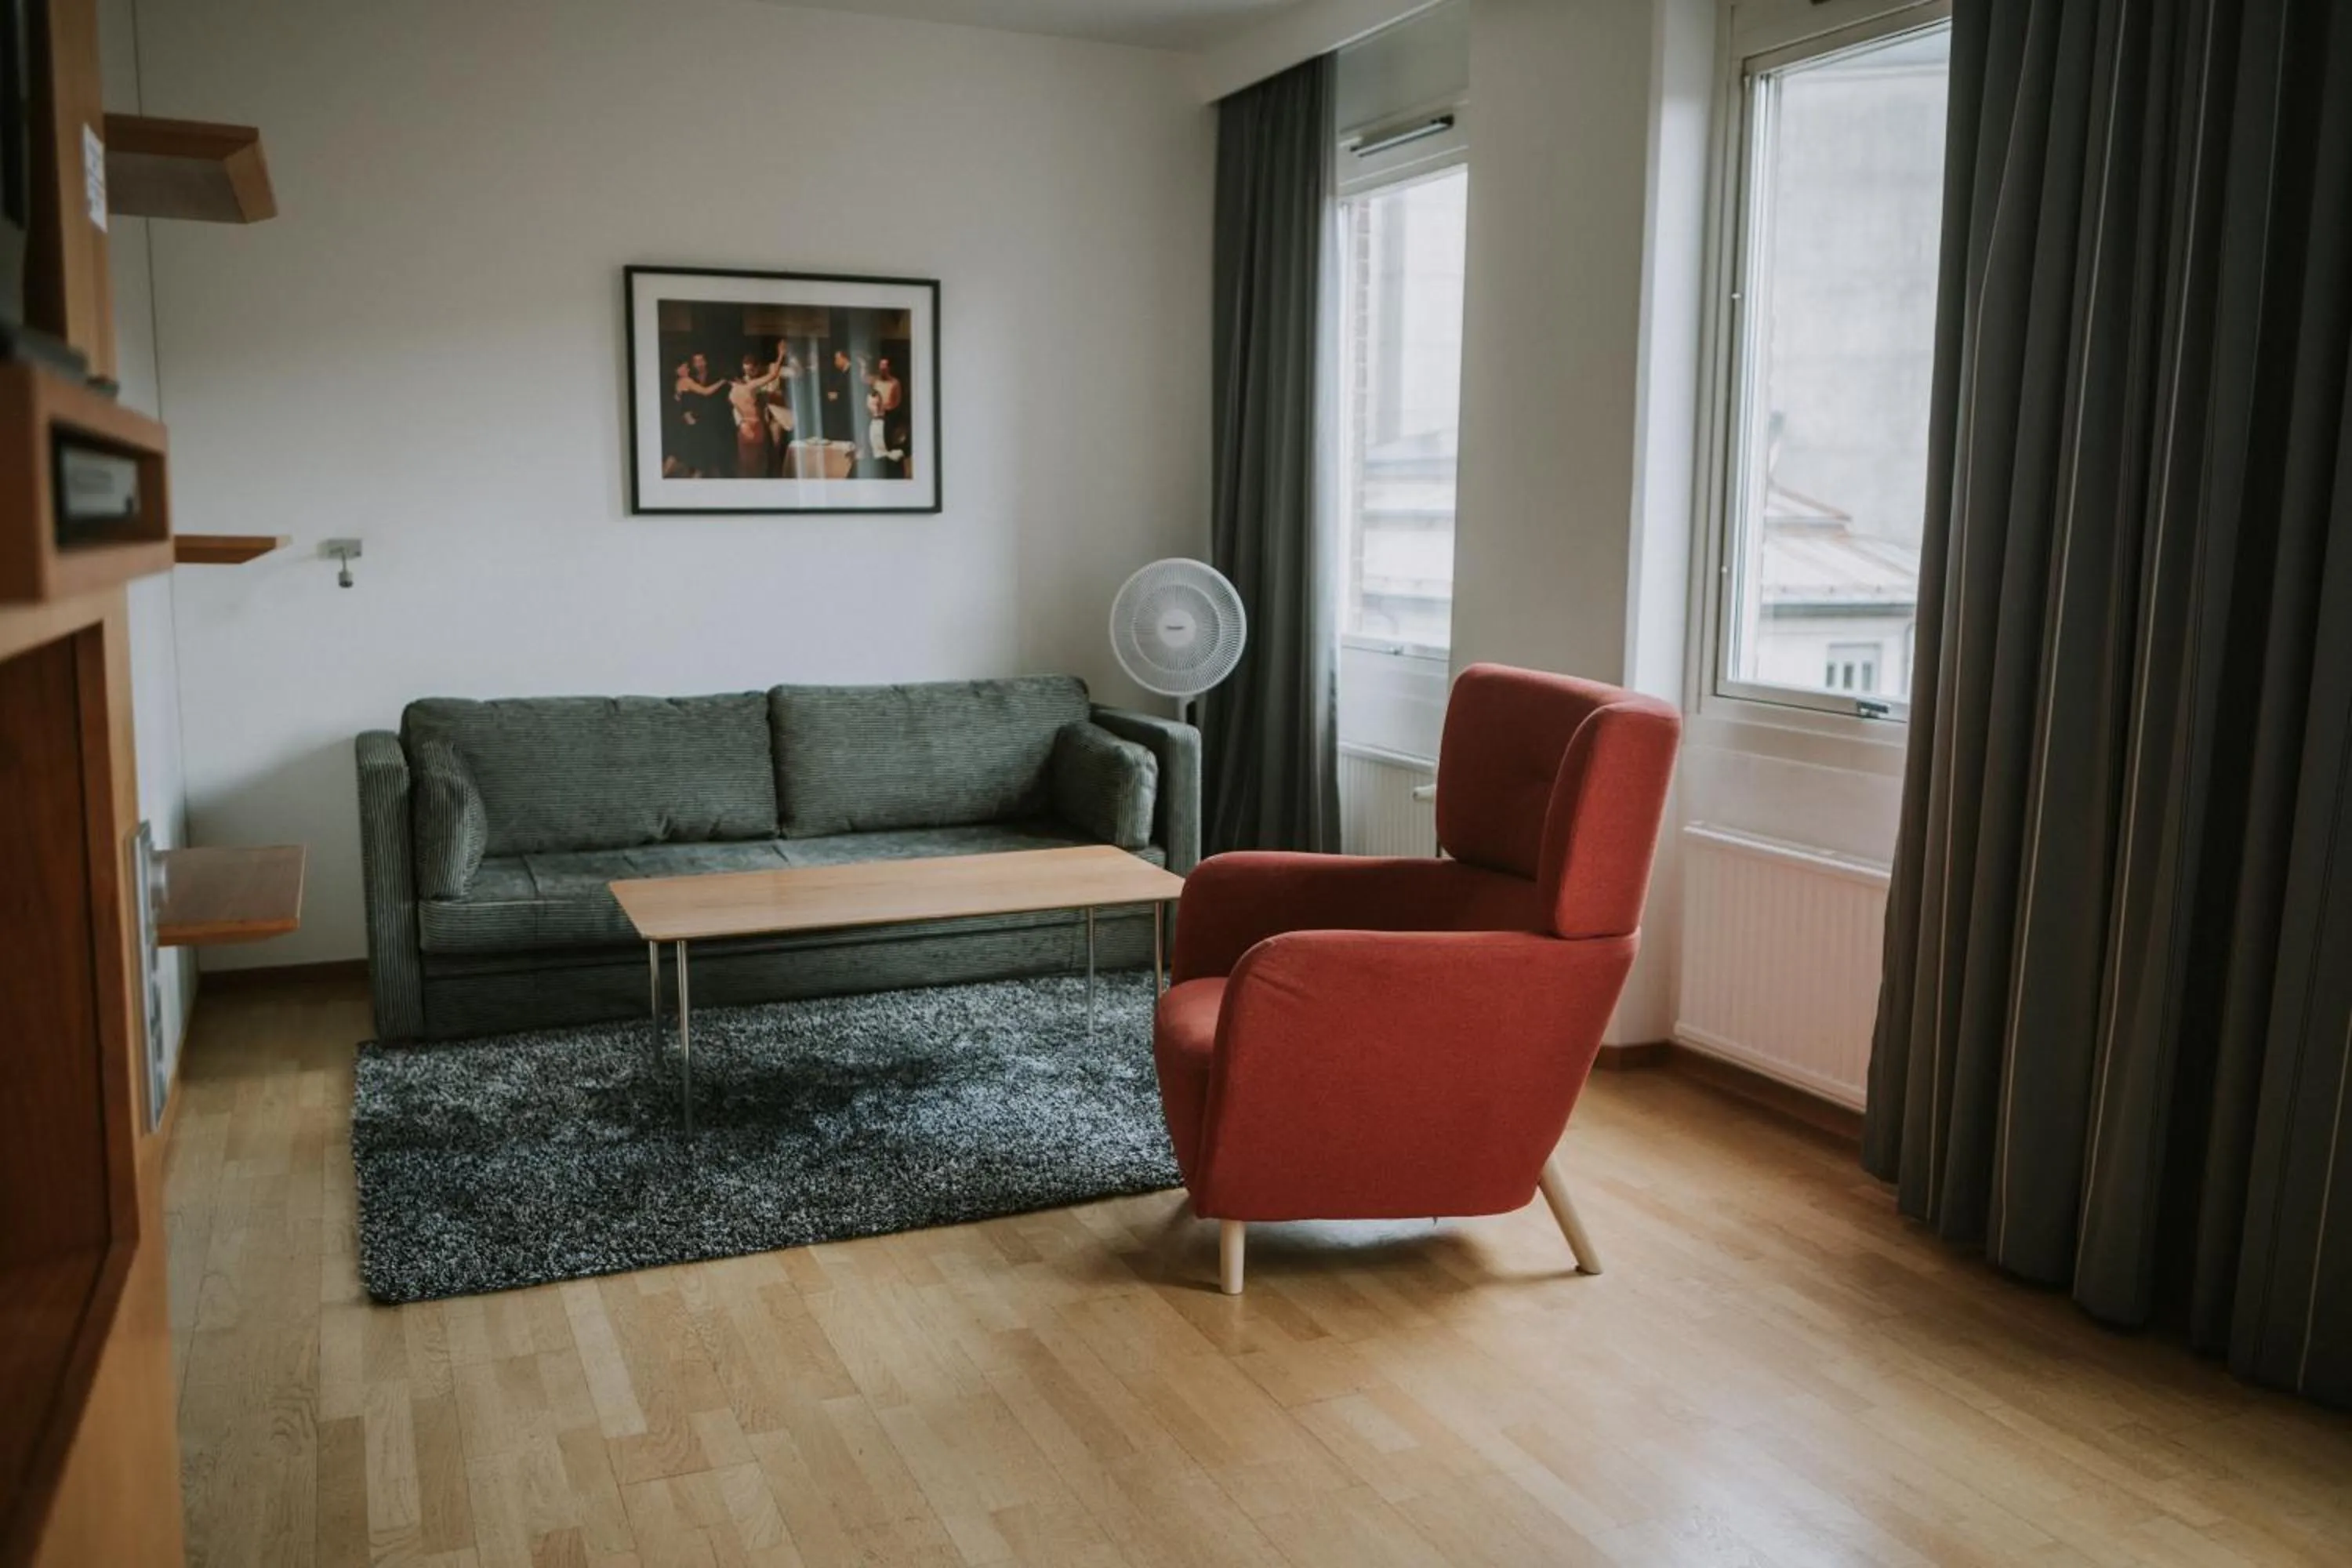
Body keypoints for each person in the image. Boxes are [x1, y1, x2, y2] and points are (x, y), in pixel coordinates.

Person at [727, 344, 789, 477]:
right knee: (756, 461)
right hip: (752, 426)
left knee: (751, 461)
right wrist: (781, 355)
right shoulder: (749, 386)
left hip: (752, 425)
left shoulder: (732, 391)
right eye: (747, 370)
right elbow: (773, 375)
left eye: (751, 369)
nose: (749, 373)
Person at [671, 354, 731, 477]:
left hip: (696, 424)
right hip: (690, 427)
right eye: (685, 367)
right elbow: (706, 392)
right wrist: (722, 381)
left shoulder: (681, 382)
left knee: (687, 459)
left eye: (688, 367)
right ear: (678, 370)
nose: (688, 369)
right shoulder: (686, 380)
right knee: (694, 462)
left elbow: (681, 402)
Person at [821, 348, 860, 445]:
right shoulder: (844, 373)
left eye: (837, 359)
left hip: (849, 412)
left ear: (844, 358)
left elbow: (851, 391)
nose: (835, 362)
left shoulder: (853, 373)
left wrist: (838, 396)